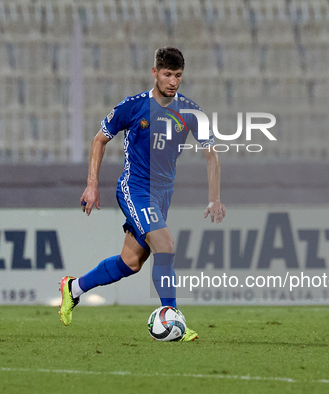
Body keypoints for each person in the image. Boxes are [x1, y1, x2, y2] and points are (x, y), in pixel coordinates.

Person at [58, 47, 226, 341]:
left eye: (178, 75)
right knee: (165, 244)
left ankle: (73, 288)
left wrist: (215, 197)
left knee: (131, 262)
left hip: (162, 194)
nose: (173, 81)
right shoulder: (133, 106)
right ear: (154, 73)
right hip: (135, 187)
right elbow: (99, 141)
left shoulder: (190, 111)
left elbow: (212, 154)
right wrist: (92, 183)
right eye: (167, 74)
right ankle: (173, 318)